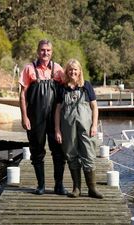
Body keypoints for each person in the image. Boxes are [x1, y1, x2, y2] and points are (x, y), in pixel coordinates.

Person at [19, 39, 67, 195]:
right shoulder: (28, 69)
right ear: (37, 51)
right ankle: (41, 185)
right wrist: (24, 117)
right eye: (42, 50)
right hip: (35, 118)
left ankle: (59, 185)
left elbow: (67, 91)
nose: (45, 53)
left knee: (59, 151)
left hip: (55, 119)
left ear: (51, 52)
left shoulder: (58, 69)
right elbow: (22, 95)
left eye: (48, 50)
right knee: (37, 151)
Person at [54, 59, 103, 199]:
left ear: (79, 71)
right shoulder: (62, 88)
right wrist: (57, 129)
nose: (73, 72)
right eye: (70, 69)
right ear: (66, 71)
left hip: (86, 127)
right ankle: (77, 188)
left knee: (89, 155)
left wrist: (94, 125)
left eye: (75, 69)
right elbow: (57, 111)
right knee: (71, 155)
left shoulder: (86, 86)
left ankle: (92, 189)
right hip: (67, 128)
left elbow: (94, 107)